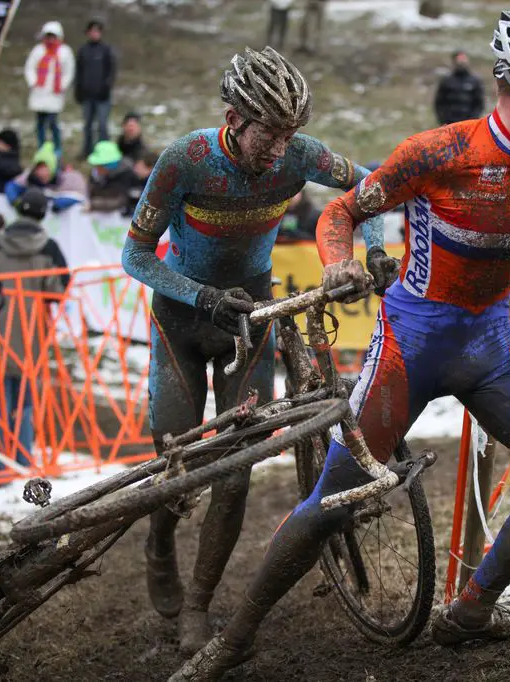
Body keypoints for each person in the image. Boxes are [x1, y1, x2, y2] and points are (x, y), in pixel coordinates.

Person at [175, 5, 510, 678]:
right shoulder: (440, 153)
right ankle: (235, 639)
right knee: (328, 509)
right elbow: (342, 209)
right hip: (407, 355)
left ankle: (472, 610)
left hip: (489, 351)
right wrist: (338, 261)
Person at [120, 46, 385, 655]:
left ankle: (198, 605)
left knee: (235, 474)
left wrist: (370, 249)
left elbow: (368, 182)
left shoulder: (299, 155)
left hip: (253, 315)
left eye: (290, 134)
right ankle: (160, 541)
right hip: (183, 319)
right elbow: (134, 256)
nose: (278, 149)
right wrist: (201, 295)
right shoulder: (186, 159)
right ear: (234, 117)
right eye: (269, 132)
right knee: (175, 462)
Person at [0, 187, 69, 467]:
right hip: (30, 338)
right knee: (24, 407)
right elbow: (59, 288)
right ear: (42, 215)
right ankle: (22, 462)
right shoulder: (49, 249)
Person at [24, 21, 76, 152]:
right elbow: (30, 67)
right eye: (48, 36)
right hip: (40, 92)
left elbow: (69, 71)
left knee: (53, 123)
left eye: (53, 36)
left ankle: (57, 147)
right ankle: (41, 146)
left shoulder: (65, 52)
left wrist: (62, 85)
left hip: (55, 93)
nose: (51, 39)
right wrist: (34, 82)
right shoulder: (38, 50)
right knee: (40, 123)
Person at [75, 17, 117, 159]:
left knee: (102, 125)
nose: (94, 34)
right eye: (91, 31)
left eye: (96, 31)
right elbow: (78, 71)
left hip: (102, 96)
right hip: (87, 95)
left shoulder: (106, 50)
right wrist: (78, 90)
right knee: (87, 125)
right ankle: (87, 150)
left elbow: (111, 71)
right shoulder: (83, 51)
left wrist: (107, 87)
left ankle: (104, 152)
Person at [5, 142, 87, 211]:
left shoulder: (67, 179)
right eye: (39, 168)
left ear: (53, 168)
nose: (42, 172)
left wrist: (59, 204)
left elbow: (79, 197)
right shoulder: (29, 178)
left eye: (45, 168)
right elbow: (11, 186)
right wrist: (15, 201)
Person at [87, 140, 141, 215]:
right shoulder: (97, 175)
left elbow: (120, 200)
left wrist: (93, 205)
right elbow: (91, 192)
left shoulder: (125, 174)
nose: (97, 169)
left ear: (109, 165)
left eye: (100, 165)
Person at [434, 50, 486, 126]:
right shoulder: (446, 81)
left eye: (463, 59)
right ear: (454, 61)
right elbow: (439, 103)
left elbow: (479, 103)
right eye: (459, 59)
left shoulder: (474, 81)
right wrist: (443, 121)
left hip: (468, 124)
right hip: (449, 124)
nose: (462, 62)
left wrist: (473, 120)